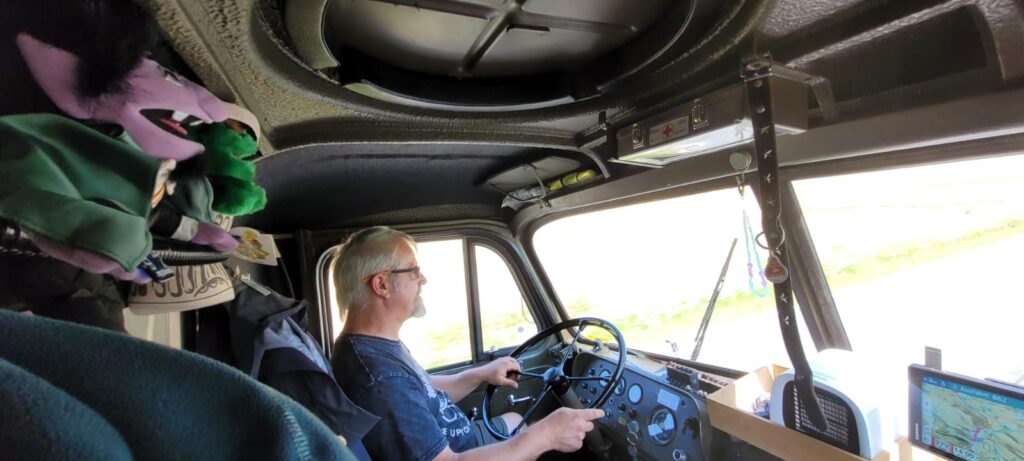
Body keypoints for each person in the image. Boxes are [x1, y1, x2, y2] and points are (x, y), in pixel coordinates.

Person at [330, 226, 604, 461]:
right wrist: (545, 435)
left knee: (515, 421)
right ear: (382, 285)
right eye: (414, 271)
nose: (423, 280)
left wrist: (479, 375)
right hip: (457, 454)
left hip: (460, 440)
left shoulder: (375, 347)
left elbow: (421, 388)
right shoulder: (381, 378)